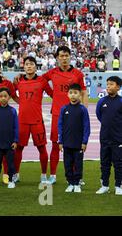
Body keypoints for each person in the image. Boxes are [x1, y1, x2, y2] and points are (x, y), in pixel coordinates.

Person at [41, 46, 88, 185]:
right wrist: (52, 94)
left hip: (75, 115)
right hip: (57, 114)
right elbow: (39, 82)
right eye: (61, 56)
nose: (64, 58)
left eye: (66, 55)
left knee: (75, 146)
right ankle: (53, 175)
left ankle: (76, 177)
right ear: (57, 58)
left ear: (70, 56)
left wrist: (83, 110)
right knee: (56, 145)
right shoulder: (52, 72)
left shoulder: (78, 74)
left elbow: (84, 92)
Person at [13, 56, 53, 184]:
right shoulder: (18, 81)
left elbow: (53, 95)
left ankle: (43, 175)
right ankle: (16, 174)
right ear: (23, 67)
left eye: (31, 64)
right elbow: (10, 94)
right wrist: (22, 102)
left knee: (42, 148)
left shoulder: (42, 81)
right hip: (22, 121)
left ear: (36, 66)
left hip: (37, 121)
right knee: (18, 148)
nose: (29, 66)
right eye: (26, 64)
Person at [58, 83, 91, 193]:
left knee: (78, 164)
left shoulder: (83, 110)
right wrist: (60, 141)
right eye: (71, 93)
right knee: (67, 164)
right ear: (67, 95)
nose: (73, 95)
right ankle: (70, 182)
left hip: (78, 143)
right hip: (66, 143)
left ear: (80, 95)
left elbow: (87, 126)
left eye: (75, 93)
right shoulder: (64, 109)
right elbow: (60, 125)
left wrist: (84, 142)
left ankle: (77, 183)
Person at [95, 76, 122, 195]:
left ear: (118, 87)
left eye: (111, 84)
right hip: (105, 138)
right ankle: (104, 185)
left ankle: (118, 186)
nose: (108, 86)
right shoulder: (102, 101)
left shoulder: (121, 101)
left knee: (119, 163)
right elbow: (99, 115)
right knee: (104, 163)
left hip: (118, 138)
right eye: (107, 84)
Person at [0, 88, 19, 189]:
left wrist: (15, 140)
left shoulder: (12, 111)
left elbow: (16, 127)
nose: (3, 98)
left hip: (9, 143)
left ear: (9, 97)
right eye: (1, 96)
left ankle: (11, 180)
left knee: (10, 163)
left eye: (5, 96)